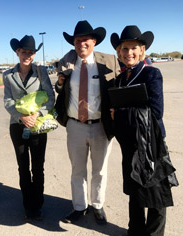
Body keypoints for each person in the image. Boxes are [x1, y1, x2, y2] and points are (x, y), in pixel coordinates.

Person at [110, 25, 176, 236]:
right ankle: (135, 230)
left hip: (151, 143)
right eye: (125, 48)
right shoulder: (119, 80)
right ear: (119, 52)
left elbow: (156, 111)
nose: (129, 52)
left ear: (142, 50)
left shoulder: (151, 74)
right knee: (135, 190)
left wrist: (119, 113)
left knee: (156, 192)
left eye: (134, 48)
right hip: (129, 144)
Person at [55, 20, 120, 224]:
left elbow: (120, 87)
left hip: (101, 125)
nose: (81, 44)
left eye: (85, 40)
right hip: (75, 126)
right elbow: (61, 91)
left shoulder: (109, 62)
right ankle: (79, 206)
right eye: (77, 41)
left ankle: (98, 205)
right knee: (78, 170)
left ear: (94, 41)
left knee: (99, 170)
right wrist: (59, 83)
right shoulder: (66, 63)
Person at [3, 35, 55, 221]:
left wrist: (37, 115)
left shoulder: (41, 72)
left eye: (30, 52)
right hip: (17, 127)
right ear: (17, 52)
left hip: (38, 127)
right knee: (23, 167)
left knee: (38, 167)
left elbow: (50, 96)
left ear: (34, 54)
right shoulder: (8, 75)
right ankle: (28, 205)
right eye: (23, 51)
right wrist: (21, 117)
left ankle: (38, 204)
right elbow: (7, 101)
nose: (27, 55)